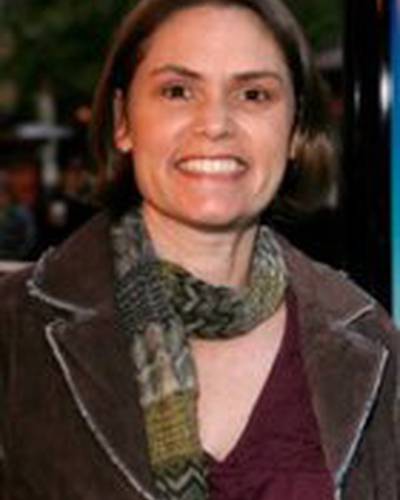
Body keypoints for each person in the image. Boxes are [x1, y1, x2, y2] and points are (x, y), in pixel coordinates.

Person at [0, 0, 398, 499]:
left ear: (296, 130)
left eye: (253, 94)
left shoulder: (370, 342)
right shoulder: (15, 330)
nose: (215, 123)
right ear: (123, 122)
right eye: (177, 91)